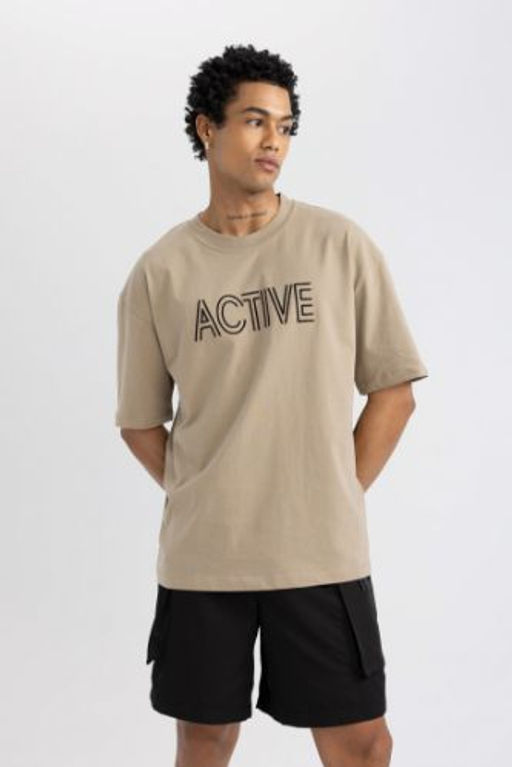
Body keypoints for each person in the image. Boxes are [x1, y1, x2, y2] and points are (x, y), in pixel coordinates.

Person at [115, 43, 429, 767]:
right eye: (255, 121)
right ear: (207, 128)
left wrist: (331, 491)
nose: (274, 142)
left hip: (319, 551)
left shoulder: (338, 244)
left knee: (363, 742)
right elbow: (139, 421)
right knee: (204, 739)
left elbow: (394, 392)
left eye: (285, 126)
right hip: (205, 560)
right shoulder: (160, 271)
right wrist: (209, 494)